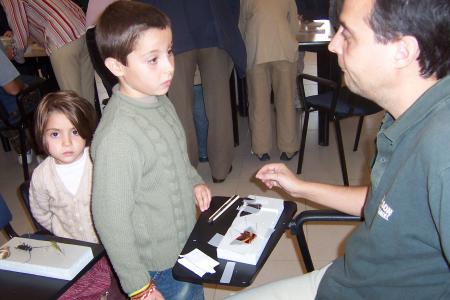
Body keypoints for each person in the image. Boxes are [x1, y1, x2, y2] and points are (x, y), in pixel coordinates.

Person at [228, 0, 450, 299]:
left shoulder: (442, 147)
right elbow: (386, 202)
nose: (333, 45)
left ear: (402, 51)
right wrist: (301, 188)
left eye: (347, 33)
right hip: (347, 278)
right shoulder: (409, 116)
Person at [91, 1, 212, 299]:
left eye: (168, 51)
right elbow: (110, 220)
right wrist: (139, 286)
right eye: (153, 59)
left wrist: (193, 179)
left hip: (184, 245)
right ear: (116, 66)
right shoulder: (118, 137)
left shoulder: (158, 99)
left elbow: (175, 155)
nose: (170, 65)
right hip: (158, 269)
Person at [138, 0, 246, 183]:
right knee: (219, 105)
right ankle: (220, 168)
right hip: (213, 28)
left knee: (180, 109)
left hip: (174, 32)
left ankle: (187, 171)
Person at [29, 91, 112, 300]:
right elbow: (41, 212)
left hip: (108, 244)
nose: (66, 143)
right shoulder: (41, 176)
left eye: (74, 132)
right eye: (55, 134)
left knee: (116, 286)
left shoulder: (98, 160)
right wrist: (60, 229)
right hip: (71, 250)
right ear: (42, 135)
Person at [0, 0, 95, 105]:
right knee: (87, 97)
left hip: (61, 37)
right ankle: (91, 121)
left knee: (73, 101)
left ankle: (79, 121)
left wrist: (15, 56)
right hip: (82, 28)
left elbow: (19, 35)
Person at [239, 0, 299, 161]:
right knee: (286, 100)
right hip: (283, 48)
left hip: (257, 49)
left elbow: (242, 25)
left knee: (258, 102)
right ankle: (288, 148)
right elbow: (294, 24)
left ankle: (261, 149)